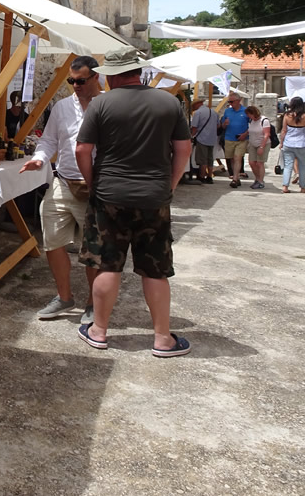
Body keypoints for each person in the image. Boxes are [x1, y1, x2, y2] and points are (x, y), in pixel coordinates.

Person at [74, 47, 192, 357]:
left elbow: (82, 150)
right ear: (138, 71)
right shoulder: (169, 102)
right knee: (155, 269)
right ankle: (162, 338)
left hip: (109, 194)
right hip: (154, 196)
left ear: (111, 75)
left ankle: (99, 331)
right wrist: (171, 183)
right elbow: (183, 148)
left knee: (107, 265)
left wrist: (92, 183)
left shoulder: (100, 104)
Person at [19, 55, 101, 324]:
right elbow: (49, 140)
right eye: (71, 81)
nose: (75, 85)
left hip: (95, 187)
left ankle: (93, 302)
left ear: (95, 78)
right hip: (63, 182)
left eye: (81, 81)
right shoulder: (62, 107)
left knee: (93, 250)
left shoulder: (106, 106)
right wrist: (40, 158)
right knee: (52, 241)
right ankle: (64, 296)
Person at [279, 96, 305, 194]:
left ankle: (285, 186)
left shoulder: (287, 116)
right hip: (301, 143)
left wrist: (281, 143)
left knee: (288, 165)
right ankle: (302, 187)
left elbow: (284, 130)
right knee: (302, 166)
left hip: (288, 143)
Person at [220, 92, 249, 188]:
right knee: (232, 158)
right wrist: (224, 124)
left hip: (241, 139)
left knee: (238, 157)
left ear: (239, 100)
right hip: (229, 138)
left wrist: (245, 134)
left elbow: (253, 125)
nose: (230, 103)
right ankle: (236, 177)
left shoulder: (245, 111)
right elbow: (222, 126)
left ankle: (235, 178)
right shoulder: (227, 111)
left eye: (232, 101)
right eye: (229, 101)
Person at [189, 99, 219, 184]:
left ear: (197, 104)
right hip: (212, 139)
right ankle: (209, 176)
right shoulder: (214, 112)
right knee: (210, 159)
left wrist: (191, 136)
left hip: (202, 138)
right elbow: (218, 125)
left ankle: (201, 177)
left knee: (202, 159)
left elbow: (194, 128)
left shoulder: (198, 113)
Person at [244, 105, 271, 190]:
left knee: (260, 163)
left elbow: (267, 134)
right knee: (252, 162)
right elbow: (250, 130)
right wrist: (243, 135)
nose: (248, 116)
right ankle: (257, 178)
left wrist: (262, 147)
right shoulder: (252, 121)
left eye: (249, 114)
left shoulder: (264, 121)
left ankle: (260, 181)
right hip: (252, 144)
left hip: (262, 143)